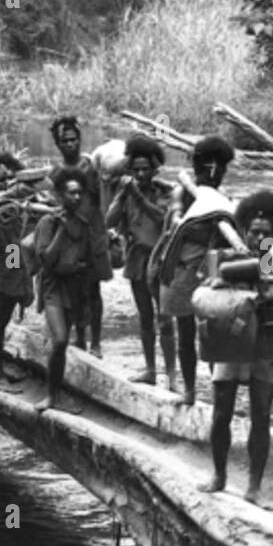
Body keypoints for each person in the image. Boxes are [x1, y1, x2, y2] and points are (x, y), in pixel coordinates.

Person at [199, 190, 273, 506]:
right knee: (221, 414)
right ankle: (219, 475)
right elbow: (206, 303)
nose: (259, 238)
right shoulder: (224, 260)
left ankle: (254, 487)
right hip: (231, 341)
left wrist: (271, 298)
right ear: (243, 230)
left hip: (263, 343)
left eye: (266, 234)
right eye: (254, 232)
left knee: (261, 417)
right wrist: (220, 283)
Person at [152, 134, 237, 406]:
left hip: (210, 272)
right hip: (182, 272)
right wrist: (189, 218)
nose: (216, 175)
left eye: (220, 170)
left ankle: (218, 394)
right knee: (185, 334)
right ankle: (189, 391)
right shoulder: (184, 194)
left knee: (212, 335)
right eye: (212, 169)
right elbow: (175, 224)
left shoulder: (222, 201)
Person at [105, 134, 175, 386]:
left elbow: (162, 218)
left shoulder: (165, 192)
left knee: (165, 317)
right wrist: (122, 195)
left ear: (154, 170)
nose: (141, 174)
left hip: (160, 259)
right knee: (145, 316)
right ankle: (150, 370)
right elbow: (109, 221)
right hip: (137, 258)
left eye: (146, 169)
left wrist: (138, 197)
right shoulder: (127, 192)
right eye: (136, 170)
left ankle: (171, 374)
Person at [31, 165, 95, 413]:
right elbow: (46, 260)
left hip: (73, 287)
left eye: (79, 193)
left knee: (64, 342)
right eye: (71, 193)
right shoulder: (48, 222)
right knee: (59, 340)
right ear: (60, 195)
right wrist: (61, 229)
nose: (76, 197)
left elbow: (87, 259)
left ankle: (58, 391)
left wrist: (79, 268)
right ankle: (50, 395)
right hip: (51, 286)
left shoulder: (83, 224)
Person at [49, 115, 111, 356]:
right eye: (64, 141)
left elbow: (101, 198)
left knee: (93, 289)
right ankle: (80, 338)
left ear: (79, 140)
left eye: (73, 139)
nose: (70, 144)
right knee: (73, 289)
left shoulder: (90, 167)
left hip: (91, 234)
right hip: (69, 236)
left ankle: (96, 342)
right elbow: (55, 203)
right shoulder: (56, 172)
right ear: (58, 144)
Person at [0, 152, 35, 391]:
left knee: (3, 320)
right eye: (3, 179)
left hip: (10, 266)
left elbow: (17, 243)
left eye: (11, 178)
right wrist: (19, 280)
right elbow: (8, 245)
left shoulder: (20, 204)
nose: (7, 183)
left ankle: (0, 367)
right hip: (0, 271)